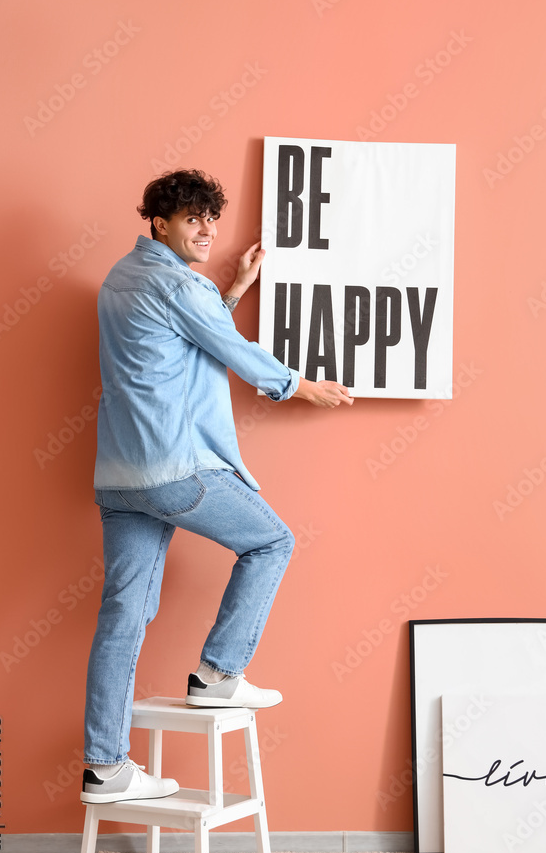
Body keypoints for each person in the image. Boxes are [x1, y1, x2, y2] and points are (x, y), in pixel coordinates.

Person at [80, 168, 352, 804]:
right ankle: (219, 672)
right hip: (173, 469)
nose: (206, 229)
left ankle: (104, 767)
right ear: (160, 223)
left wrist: (230, 290)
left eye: (211, 218)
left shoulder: (120, 277)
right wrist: (300, 386)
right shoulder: (179, 284)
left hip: (120, 477)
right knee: (272, 542)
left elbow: (182, 342)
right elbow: (231, 350)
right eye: (192, 218)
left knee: (122, 614)